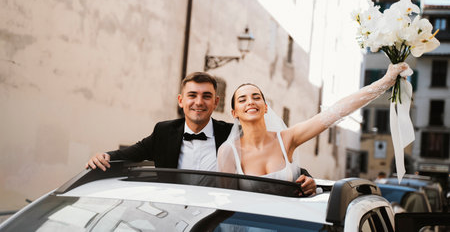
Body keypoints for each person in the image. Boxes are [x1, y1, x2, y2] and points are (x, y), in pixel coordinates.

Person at [85, 71, 316, 194]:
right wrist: (104, 157)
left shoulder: (231, 134)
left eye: (206, 96)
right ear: (181, 101)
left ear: (216, 102)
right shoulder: (164, 132)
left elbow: (271, 152)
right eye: (192, 95)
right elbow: (130, 154)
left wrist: (306, 176)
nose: (199, 102)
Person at [217, 63, 410, 183]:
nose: (250, 101)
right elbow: (227, 203)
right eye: (242, 99)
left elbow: (335, 112)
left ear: (266, 107)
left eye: (256, 97)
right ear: (234, 113)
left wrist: (385, 82)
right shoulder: (228, 151)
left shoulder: (287, 139)